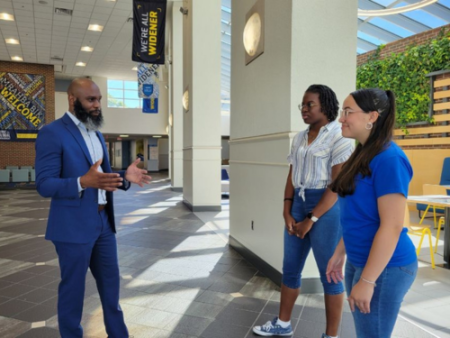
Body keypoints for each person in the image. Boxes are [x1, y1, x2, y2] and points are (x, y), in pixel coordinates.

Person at [35, 78, 151, 338]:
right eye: (91, 100)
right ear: (72, 100)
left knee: (112, 288)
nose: (97, 105)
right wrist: (80, 182)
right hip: (72, 227)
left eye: (99, 99)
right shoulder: (52, 133)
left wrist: (124, 177)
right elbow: (44, 184)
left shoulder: (95, 133)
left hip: (104, 225)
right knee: (73, 292)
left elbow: (102, 176)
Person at [253, 85, 354, 338]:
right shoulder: (299, 137)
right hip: (298, 202)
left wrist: (312, 218)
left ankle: (331, 336)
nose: (304, 110)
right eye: (303, 105)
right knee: (290, 268)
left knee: (329, 273)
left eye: (310, 104)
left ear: (326, 106)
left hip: (326, 206)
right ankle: (283, 324)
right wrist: (287, 211)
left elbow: (336, 184)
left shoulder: (338, 136)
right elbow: (292, 175)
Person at [327, 88, 417, 338]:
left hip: (385, 269)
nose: (341, 118)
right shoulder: (363, 153)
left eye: (347, 112)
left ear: (372, 117)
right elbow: (361, 216)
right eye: (341, 112)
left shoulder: (389, 159)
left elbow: (391, 226)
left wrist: (367, 281)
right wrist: (340, 251)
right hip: (359, 261)